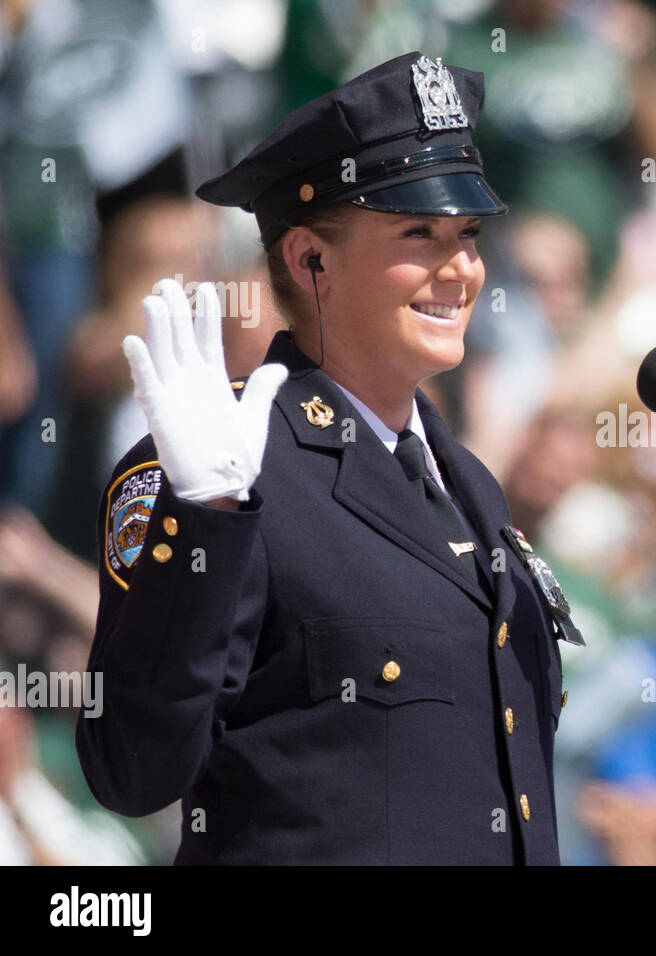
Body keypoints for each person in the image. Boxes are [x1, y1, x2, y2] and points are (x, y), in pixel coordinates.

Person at [75, 52, 583, 864]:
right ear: (311, 260)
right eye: (420, 233)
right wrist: (205, 516)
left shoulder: (469, 485)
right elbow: (133, 770)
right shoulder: (221, 466)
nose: (461, 268)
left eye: (469, 235)